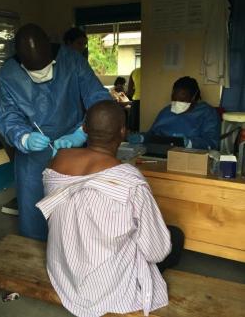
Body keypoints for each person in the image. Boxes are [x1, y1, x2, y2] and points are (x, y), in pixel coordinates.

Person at [36, 100, 184, 317]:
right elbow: (157, 251)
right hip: (105, 287)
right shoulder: (129, 180)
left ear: (84, 129)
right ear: (123, 132)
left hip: (63, 272)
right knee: (175, 237)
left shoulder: (56, 161)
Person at [0, 23, 111, 241]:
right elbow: (7, 116)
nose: (42, 75)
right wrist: (24, 137)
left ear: (51, 50)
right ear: (20, 60)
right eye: (33, 71)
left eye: (46, 67)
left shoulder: (73, 61)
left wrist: (82, 131)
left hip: (74, 149)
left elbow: (99, 100)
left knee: (76, 216)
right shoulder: (8, 75)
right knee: (34, 214)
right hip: (32, 157)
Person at [129, 76, 221, 150]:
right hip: (163, 154)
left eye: (182, 100)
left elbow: (212, 143)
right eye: (174, 99)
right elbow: (153, 134)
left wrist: (190, 143)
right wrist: (143, 137)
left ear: (194, 97)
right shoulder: (166, 112)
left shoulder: (207, 113)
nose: (177, 102)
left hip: (192, 157)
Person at [127, 67, 141, 131]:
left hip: (136, 101)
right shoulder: (152, 70)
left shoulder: (134, 71)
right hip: (150, 101)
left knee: (134, 127)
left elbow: (130, 91)